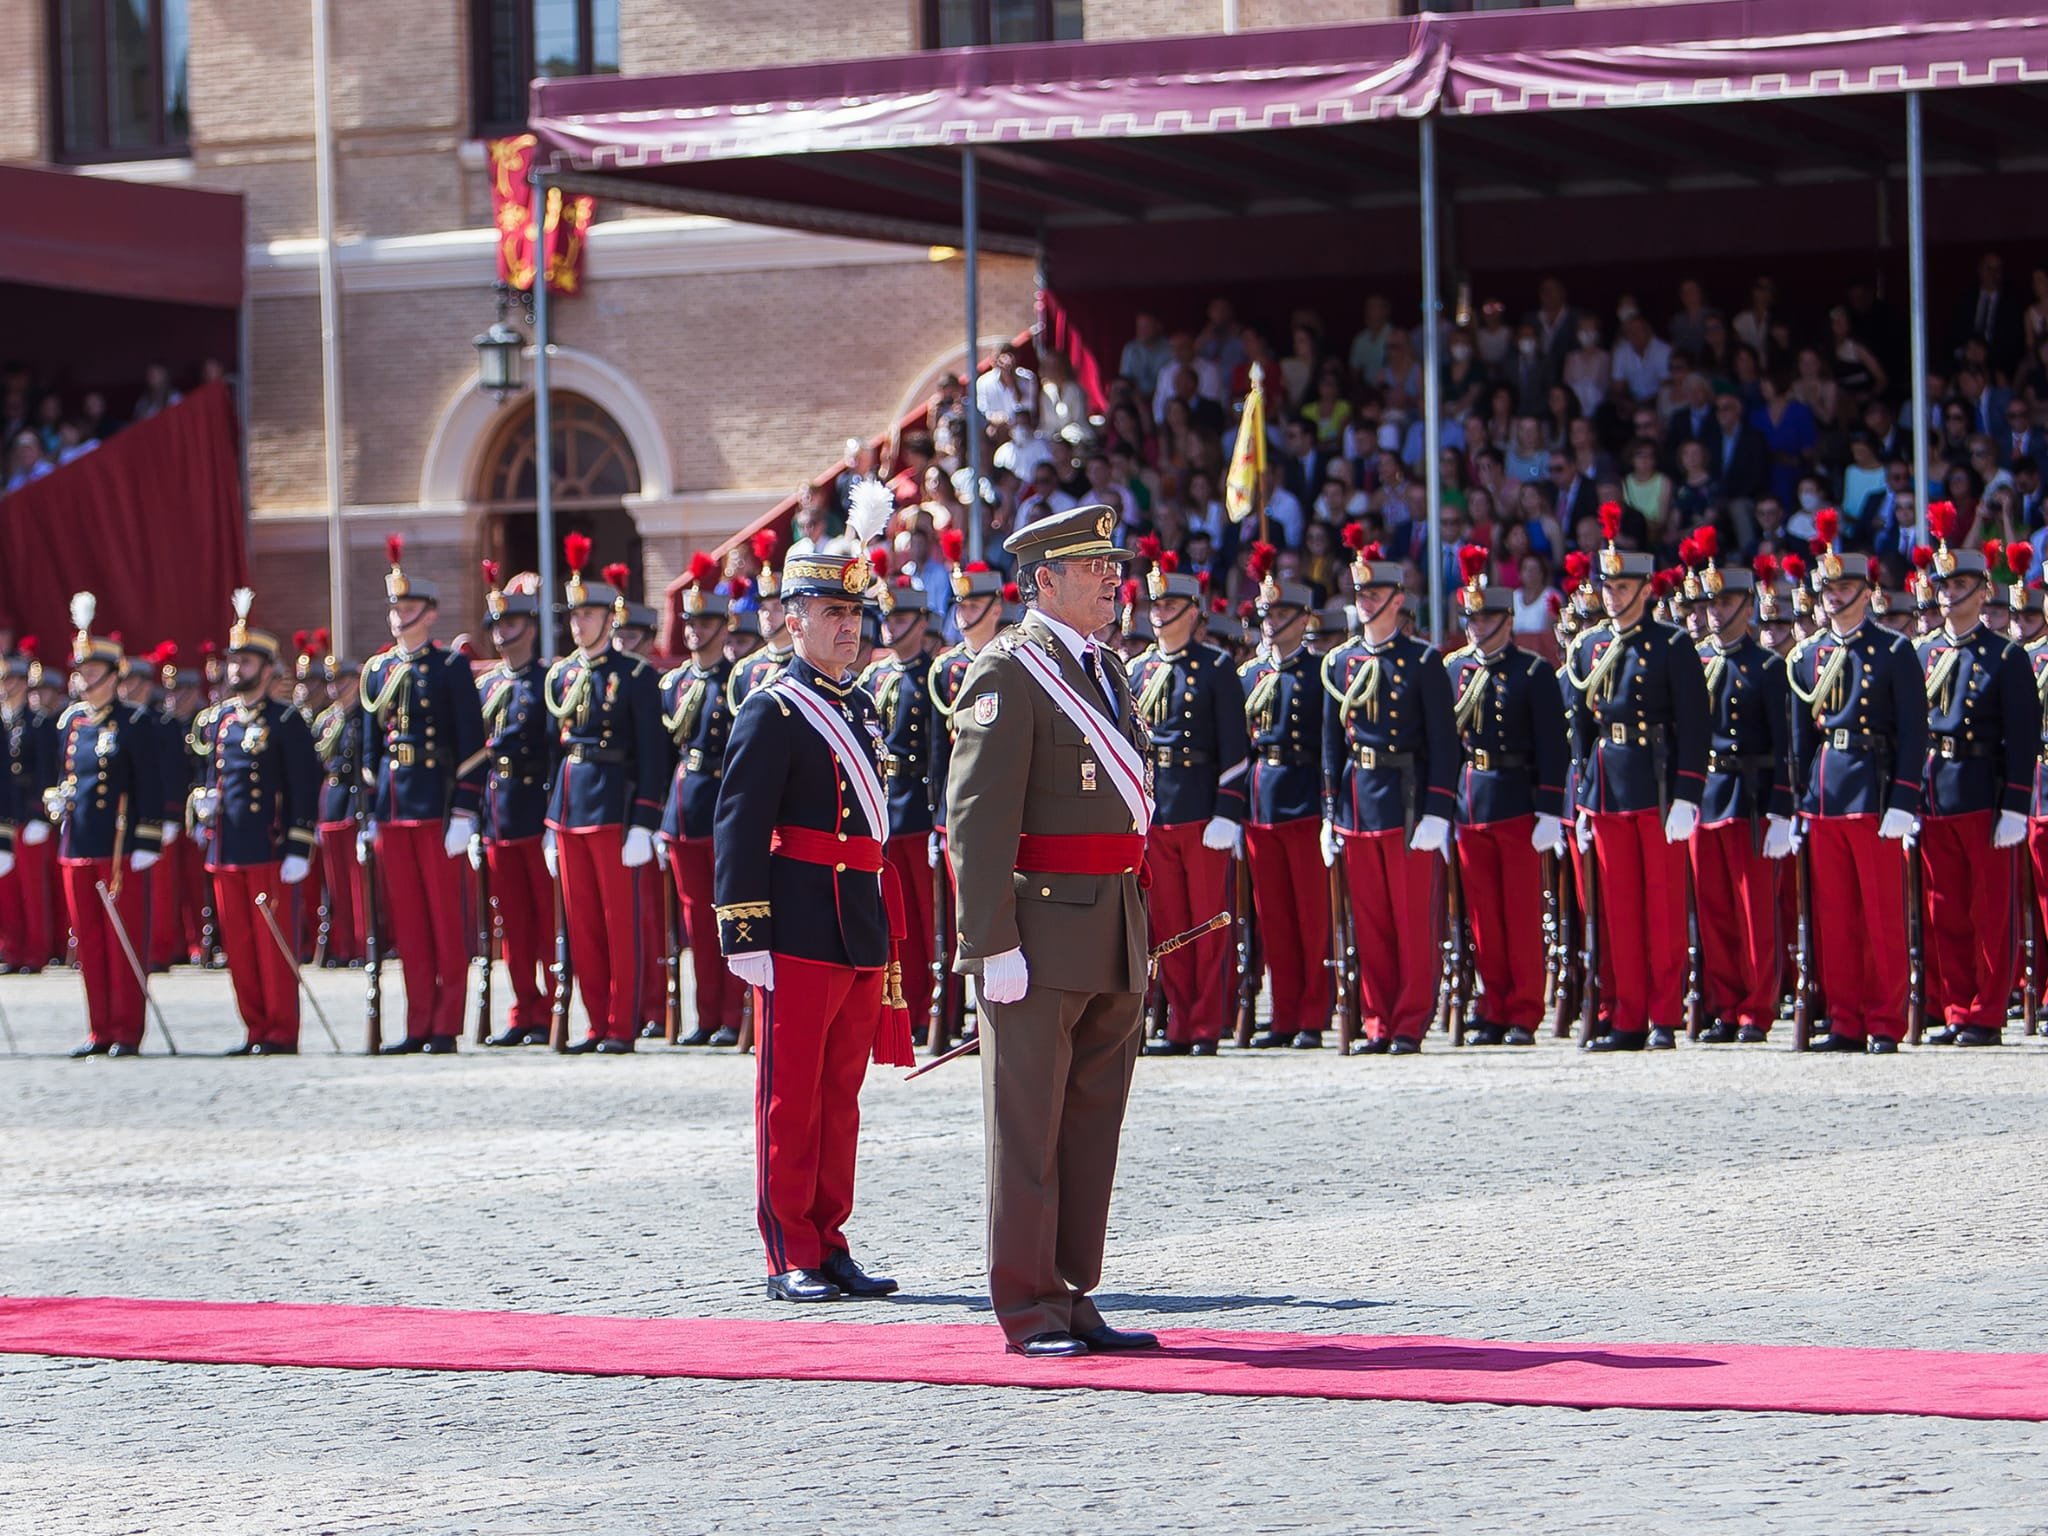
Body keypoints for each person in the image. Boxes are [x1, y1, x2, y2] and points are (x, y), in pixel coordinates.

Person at [946, 503, 1159, 1359]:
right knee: (1027, 1126)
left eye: (1112, 565)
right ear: (1043, 582)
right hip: (1034, 934)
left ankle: (1072, 1293)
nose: (1113, 577)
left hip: (1110, 921)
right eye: (1092, 567)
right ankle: (1028, 1305)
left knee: (1089, 1124)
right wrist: (989, 942)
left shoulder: (1102, 668)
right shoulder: (1008, 673)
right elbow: (977, 820)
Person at [713, 534, 910, 1304]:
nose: (848, 626)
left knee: (840, 1098)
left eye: (855, 612)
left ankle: (831, 1241)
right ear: (792, 619)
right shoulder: (772, 709)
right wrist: (746, 931)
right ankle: (787, 1250)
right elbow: (737, 822)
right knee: (789, 1099)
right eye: (832, 611)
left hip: (854, 918)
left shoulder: (858, 706)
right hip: (794, 925)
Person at [1564, 504, 1709, 1052]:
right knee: (1618, 910)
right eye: (1608, 586)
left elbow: (1695, 724)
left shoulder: (1671, 644)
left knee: (1662, 906)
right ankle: (1624, 1015)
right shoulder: (1588, 646)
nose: (1615, 595)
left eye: (1625, 586)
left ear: (1646, 588)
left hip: (1657, 782)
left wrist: (1688, 794)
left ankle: (1663, 1016)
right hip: (1607, 784)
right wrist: (1581, 795)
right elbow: (1578, 725)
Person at [1787, 510, 1928, 1053]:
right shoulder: (1807, 656)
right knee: (1836, 917)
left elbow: (1914, 732)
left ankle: (1885, 1021)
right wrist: (1798, 803)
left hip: (1874, 787)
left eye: (1844, 587)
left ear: (1865, 593)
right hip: (1826, 793)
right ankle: (1844, 1020)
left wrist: (1904, 799)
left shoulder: (1893, 651)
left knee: (1882, 916)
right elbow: (1801, 740)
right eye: (1827, 588)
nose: (1832, 597)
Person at [1321, 540, 1458, 1053]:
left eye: (1374, 591)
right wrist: (1330, 812)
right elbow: (1331, 746)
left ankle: (1409, 1020)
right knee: (1372, 924)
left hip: (1406, 802)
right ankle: (1377, 1021)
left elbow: (1445, 745)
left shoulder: (1422, 660)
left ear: (1397, 599)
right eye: (1358, 591)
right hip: (1359, 804)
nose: (1364, 600)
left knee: (1411, 920)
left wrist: (1437, 810)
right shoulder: (1340, 661)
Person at [1912, 514, 2040, 1046]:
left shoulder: (2006, 656)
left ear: (1984, 591)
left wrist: (2015, 804)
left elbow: (2023, 734)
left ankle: (1987, 1010)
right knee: (1945, 909)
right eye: (1943, 586)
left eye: (1959, 585)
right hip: (1934, 792)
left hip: (1983, 790)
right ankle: (1956, 1006)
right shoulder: (1922, 653)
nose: (1948, 595)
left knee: (1990, 910)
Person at [358, 537, 488, 1054]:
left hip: (437, 806)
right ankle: (415, 1024)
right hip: (394, 808)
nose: (399, 617)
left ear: (430, 615)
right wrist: (368, 814)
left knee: (443, 921)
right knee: (408, 925)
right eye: (395, 607)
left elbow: (471, 746)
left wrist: (464, 811)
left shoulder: (450, 668)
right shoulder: (378, 670)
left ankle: (445, 1024)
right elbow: (368, 751)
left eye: (409, 608)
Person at [1441, 547, 1570, 1048]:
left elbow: (1552, 748)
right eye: (1471, 616)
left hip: (1518, 801)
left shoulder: (1533, 673)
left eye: (1487, 616)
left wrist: (1548, 809)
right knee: (1482, 918)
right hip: (1472, 801)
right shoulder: (1456, 670)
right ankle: (1491, 1005)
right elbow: (1451, 746)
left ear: (1507, 620)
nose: (1476, 625)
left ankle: (1523, 1010)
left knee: (1518, 914)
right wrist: (1445, 806)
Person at [1127, 544, 1248, 1056]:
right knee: (1170, 926)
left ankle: (1207, 1022)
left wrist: (1228, 811)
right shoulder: (1138, 669)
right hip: (1158, 812)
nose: (1157, 614)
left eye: (1166, 605)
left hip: (1201, 808)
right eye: (1153, 605)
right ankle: (1178, 1022)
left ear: (1192, 610)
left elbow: (1236, 748)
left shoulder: (1216, 667)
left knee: (1207, 924)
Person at [544, 540, 664, 1052]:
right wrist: (551, 823)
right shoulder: (563, 675)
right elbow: (559, 751)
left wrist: (644, 821)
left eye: (589, 614)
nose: (579, 624)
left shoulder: (635, 676)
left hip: (615, 809)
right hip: (572, 808)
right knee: (584, 927)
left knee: (620, 926)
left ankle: (622, 1023)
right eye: (574, 615)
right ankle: (594, 1023)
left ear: (609, 618)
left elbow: (653, 755)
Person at [189, 592, 319, 1055]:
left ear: (267, 668)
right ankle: (255, 1028)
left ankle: (281, 1031)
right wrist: (203, 803)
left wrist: (300, 846)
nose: (234, 671)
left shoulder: (287, 721)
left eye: (244, 662)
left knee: (271, 946)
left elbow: (304, 786)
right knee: (240, 949)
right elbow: (213, 775)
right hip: (227, 848)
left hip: (270, 848)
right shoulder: (222, 720)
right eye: (232, 662)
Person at [1688, 547, 1794, 1043]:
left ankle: (1757, 1007)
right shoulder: (1696, 660)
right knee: (1714, 912)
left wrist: (1780, 809)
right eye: (1710, 601)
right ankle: (1724, 1005)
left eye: (1726, 600)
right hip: (1707, 795)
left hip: (1750, 796)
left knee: (1755, 913)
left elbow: (1784, 742)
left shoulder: (1768, 667)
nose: (1715, 609)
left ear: (1747, 607)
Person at [54, 594, 157, 1056]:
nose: (84, 680)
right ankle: (99, 1028)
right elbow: (66, 775)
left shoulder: (134, 722)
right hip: (79, 841)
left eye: (93, 673)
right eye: (81, 673)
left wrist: (148, 837)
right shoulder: (71, 723)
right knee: (90, 944)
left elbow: (148, 786)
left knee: (122, 939)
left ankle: (126, 1029)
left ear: (115, 677)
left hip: (118, 845)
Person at [1238, 544, 1330, 1048]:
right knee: (1272, 918)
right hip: (1260, 803)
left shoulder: (1320, 672)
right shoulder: (1251, 675)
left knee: (1311, 919)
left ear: (1304, 619)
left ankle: (1313, 1015)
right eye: (1266, 612)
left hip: (1304, 798)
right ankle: (1284, 1014)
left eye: (1282, 613)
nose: (1270, 622)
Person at [661, 552, 742, 1047]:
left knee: (728, 914)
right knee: (693, 920)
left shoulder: (736, 682)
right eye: (690, 621)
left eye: (705, 621)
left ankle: (734, 1013)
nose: (694, 631)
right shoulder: (674, 683)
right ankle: (706, 1014)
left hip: (721, 806)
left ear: (723, 625)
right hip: (684, 808)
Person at [477, 564, 559, 1047]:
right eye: (497, 626)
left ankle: (550, 1007)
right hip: (498, 816)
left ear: (529, 626)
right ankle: (522, 1007)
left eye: (510, 625)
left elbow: (552, 751)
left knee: (545, 920)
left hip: (533, 809)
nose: (502, 634)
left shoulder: (546, 684)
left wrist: (553, 815)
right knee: (510, 924)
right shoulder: (486, 686)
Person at [862, 573, 943, 1043]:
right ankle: (896, 1008)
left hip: (917, 805)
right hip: (882, 810)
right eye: (888, 618)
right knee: (890, 921)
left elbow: (937, 750)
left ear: (921, 621)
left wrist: (937, 819)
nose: (891, 627)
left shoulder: (931, 674)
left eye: (902, 618)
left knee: (925, 921)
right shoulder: (872, 676)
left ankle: (933, 1010)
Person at [0, 644, 59, 974]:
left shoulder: (37, 723)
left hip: (29, 814)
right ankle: (11, 949)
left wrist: (41, 814)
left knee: (32, 890)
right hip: (7, 816)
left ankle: (36, 951)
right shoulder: (3, 721)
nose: (8, 685)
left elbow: (47, 771)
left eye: (13, 679)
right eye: (4, 679)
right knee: (6, 891)